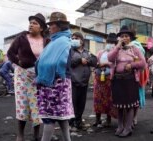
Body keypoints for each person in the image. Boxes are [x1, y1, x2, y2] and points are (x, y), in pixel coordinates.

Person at [7, 13, 47, 141]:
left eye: (35, 23)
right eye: (30, 22)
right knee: (23, 105)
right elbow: (10, 53)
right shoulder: (22, 38)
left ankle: (36, 134)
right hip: (22, 76)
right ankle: (20, 135)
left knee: (37, 106)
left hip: (38, 77)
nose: (31, 24)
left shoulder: (47, 41)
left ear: (41, 28)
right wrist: (19, 63)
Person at [35, 12, 74, 141]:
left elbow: (59, 63)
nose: (49, 27)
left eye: (51, 25)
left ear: (58, 26)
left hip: (55, 84)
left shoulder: (62, 41)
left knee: (49, 118)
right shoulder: (56, 41)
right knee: (61, 116)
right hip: (58, 83)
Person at [108, 25, 146, 137]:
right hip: (117, 80)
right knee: (119, 105)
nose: (124, 38)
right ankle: (120, 126)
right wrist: (118, 46)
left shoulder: (135, 49)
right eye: (122, 36)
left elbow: (143, 63)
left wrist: (132, 65)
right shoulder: (116, 49)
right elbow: (110, 58)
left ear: (130, 38)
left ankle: (128, 128)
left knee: (129, 105)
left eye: (126, 36)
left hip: (130, 80)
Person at [69, 32, 97, 131]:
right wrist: (79, 60)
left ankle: (79, 121)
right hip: (74, 81)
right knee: (73, 103)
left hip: (84, 82)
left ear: (81, 40)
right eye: (72, 38)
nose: (74, 39)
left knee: (81, 103)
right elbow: (69, 63)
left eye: (76, 38)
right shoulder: (70, 51)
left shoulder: (86, 51)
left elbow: (94, 61)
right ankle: (71, 123)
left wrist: (87, 61)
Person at [93, 33, 118, 127]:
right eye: (109, 42)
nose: (110, 44)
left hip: (109, 79)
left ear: (115, 43)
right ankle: (97, 119)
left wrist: (107, 64)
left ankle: (108, 120)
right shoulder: (100, 52)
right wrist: (99, 65)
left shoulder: (116, 53)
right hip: (99, 78)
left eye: (112, 42)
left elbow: (116, 65)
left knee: (108, 100)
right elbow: (95, 62)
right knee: (97, 99)